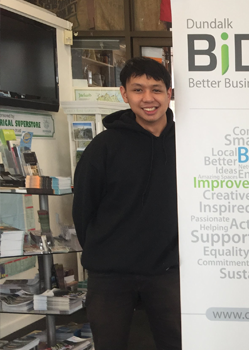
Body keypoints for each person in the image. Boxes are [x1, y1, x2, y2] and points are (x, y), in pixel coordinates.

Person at [73, 57, 181, 350]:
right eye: (138, 89)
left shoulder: (187, 142)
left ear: (169, 94)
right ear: (124, 93)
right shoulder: (103, 148)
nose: (148, 98)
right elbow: (83, 210)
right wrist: (104, 251)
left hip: (169, 272)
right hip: (110, 276)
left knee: (178, 343)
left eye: (156, 89)